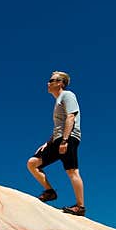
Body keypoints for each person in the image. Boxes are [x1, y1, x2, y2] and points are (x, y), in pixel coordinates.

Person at [26, 71, 86, 216]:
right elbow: (59, 125)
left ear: (60, 83)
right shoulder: (58, 100)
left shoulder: (67, 95)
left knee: (72, 171)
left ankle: (80, 207)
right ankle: (50, 192)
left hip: (69, 137)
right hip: (58, 139)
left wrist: (65, 140)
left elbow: (71, 117)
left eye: (51, 80)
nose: (48, 83)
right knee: (33, 163)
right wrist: (48, 142)